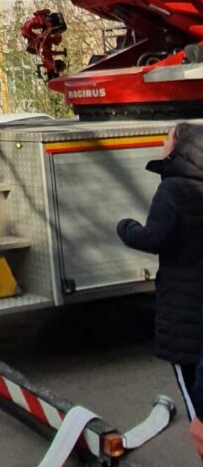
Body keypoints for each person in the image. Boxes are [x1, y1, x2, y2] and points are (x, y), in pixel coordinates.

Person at [117, 123, 203, 449]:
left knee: (196, 404)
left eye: (166, 139)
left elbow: (155, 237)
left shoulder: (173, 189)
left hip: (182, 310)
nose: (162, 144)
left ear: (181, 148)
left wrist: (125, 228)